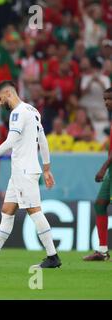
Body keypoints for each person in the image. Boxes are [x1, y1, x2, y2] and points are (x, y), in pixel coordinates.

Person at [0, 80, 62, 268]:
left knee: (34, 211)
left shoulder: (17, 113)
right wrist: (46, 168)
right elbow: (42, 140)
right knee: (7, 211)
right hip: (23, 171)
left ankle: (53, 256)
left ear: (8, 93)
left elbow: (10, 140)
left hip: (24, 171)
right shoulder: (33, 111)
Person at [83, 87, 112, 261]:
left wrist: (103, 167)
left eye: (109, 99)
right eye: (105, 99)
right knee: (100, 204)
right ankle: (102, 251)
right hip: (111, 171)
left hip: (108, 168)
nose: (106, 103)